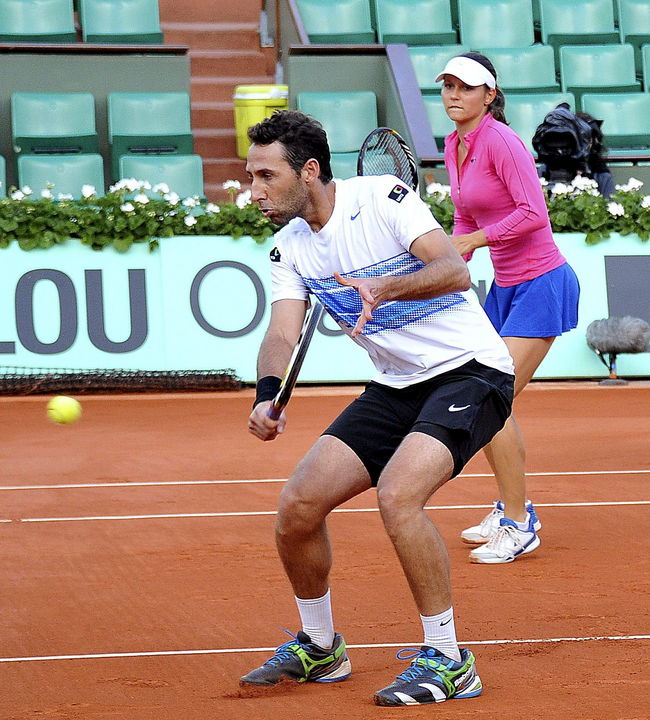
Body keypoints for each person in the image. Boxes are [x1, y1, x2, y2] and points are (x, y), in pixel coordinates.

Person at [241, 109, 515, 706]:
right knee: (298, 508)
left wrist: (383, 286)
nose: (253, 192)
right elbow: (281, 334)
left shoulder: (385, 198)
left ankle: (448, 659)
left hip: (471, 370)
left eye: (266, 176)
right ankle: (320, 647)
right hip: (396, 385)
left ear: (309, 171)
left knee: (399, 495)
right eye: (251, 176)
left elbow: (454, 269)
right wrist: (267, 394)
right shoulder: (289, 249)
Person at [436, 52, 580, 563]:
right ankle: (511, 509)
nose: (454, 94)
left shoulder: (502, 141)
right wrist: (453, 266)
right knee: (489, 400)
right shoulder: (456, 143)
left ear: (489, 95)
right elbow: (461, 215)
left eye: (465, 87)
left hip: (543, 282)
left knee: (489, 400)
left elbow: (532, 214)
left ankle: (519, 523)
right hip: (504, 286)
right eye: (448, 85)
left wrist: (473, 238)